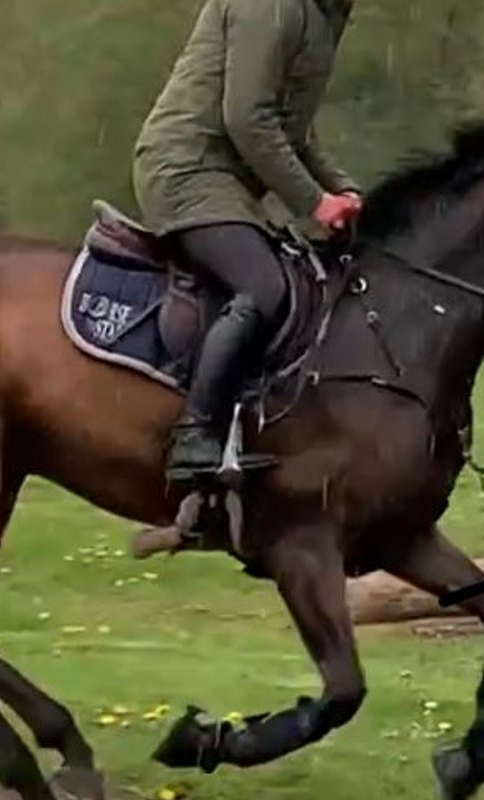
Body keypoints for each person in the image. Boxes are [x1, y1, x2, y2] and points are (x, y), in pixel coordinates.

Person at [133, 0, 361, 481]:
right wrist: (313, 201)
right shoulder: (270, 7)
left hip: (229, 180)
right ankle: (194, 434)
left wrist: (343, 191)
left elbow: (295, 134)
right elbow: (247, 118)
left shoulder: (324, 16)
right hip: (186, 170)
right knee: (264, 287)